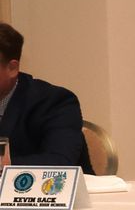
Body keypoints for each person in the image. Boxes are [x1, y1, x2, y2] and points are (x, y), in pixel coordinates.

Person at [0, 22, 93, 170]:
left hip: (54, 191)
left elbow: (60, 161)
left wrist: (4, 165)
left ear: (12, 68)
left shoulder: (55, 102)